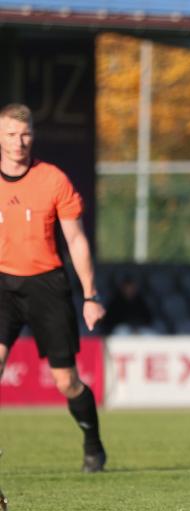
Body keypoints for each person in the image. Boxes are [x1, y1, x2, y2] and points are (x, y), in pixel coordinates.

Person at [0, 103, 107, 472]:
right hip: (2, 285)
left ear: (34, 135)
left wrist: (90, 295)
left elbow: (76, 240)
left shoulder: (53, 180)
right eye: (11, 134)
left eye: (25, 133)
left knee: (67, 382)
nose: (19, 142)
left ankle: (92, 441)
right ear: (0, 137)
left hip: (47, 285)